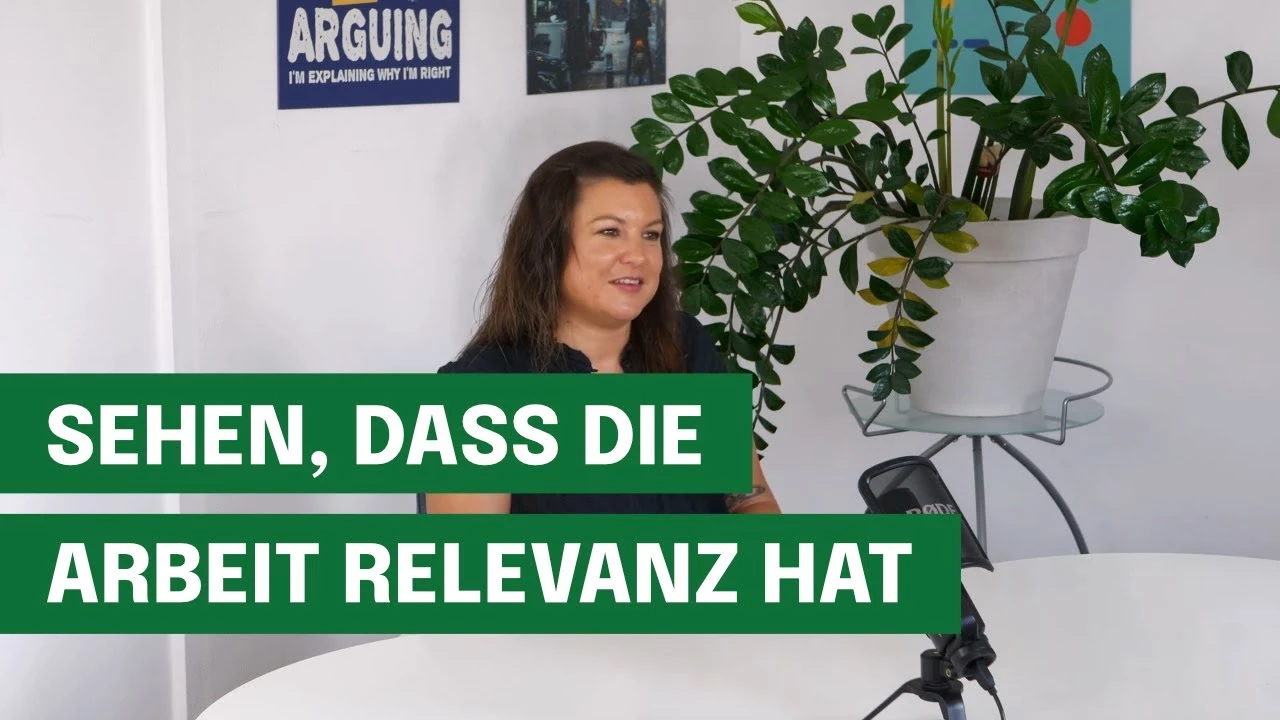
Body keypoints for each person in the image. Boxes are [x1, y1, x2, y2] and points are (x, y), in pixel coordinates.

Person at [430, 140, 781, 516]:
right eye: (611, 232)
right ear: (548, 246)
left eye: (651, 234)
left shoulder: (685, 343)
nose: (638, 256)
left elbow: (751, 499)